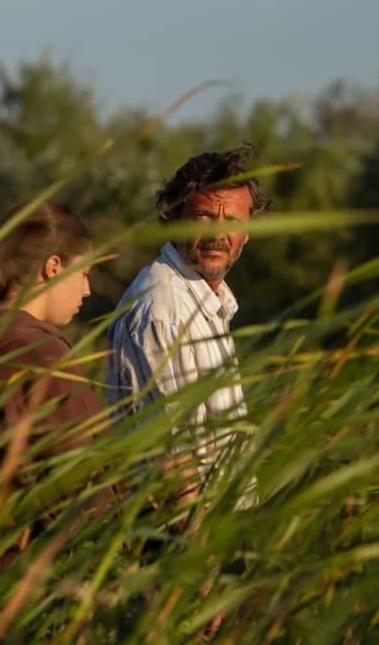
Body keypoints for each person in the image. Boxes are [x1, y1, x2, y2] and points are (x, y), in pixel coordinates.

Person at [0, 201, 112, 571]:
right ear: (54, 267)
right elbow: (84, 479)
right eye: (84, 274)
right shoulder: (37, 351)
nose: (87, 290)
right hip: (30, 573)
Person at [106, 144, 271, 517]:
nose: (218, 234)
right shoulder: (162, 306)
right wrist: (199, 560)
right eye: (203, 217)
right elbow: (173, 457)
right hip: (176, 542)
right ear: (174, 218)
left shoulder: (207, 301)